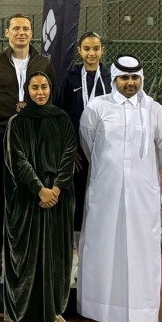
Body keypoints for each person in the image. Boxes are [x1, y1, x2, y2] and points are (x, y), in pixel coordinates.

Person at [77, 55, 162, 322]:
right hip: (105, 190)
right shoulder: (97, 107)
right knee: (102, 244)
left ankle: (141, 311)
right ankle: (99, 308)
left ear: (140, 79)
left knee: (141, 248)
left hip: (143, 193)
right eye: (124, 78)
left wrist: (139, 174)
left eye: (135, 78)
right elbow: (88, 143)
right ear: (114, 79)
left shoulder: (155, 111)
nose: (130, 83)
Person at [0, 14, 55, 279]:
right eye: (16, 28)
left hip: (34, 140)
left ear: (32, 33)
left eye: (26, 29)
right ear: (7, 32)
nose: (21, 33)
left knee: (31, 195)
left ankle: (26, 254)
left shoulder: (44, 63)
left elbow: (53, 101)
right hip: (1, 139)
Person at [2, 70, 78, 322]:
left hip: (58, 199)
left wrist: (56, 189)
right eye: (34, 87)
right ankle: (24, 311)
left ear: (51, 88)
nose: (40, 92)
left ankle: (52, 310)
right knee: (28, 256)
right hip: (27, 200)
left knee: (55, 255)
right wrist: (39, 190)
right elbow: (17, 159)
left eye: (44, 86)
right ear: (27, 90)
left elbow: (70, 153)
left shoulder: (62, 119)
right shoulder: (18, 122)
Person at [58, 31, 111, 260]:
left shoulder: (110, 78)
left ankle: (101, 248)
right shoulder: (69, 79)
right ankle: (78, 253)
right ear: (79, 51)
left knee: (102, 198)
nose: (92, 53)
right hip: (77, 152)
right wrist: (69, 149)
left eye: (96, 48)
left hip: (105, 151)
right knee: (77, 199)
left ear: (102, 50)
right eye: (87, 49)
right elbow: (61, 114)